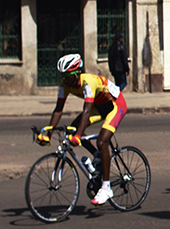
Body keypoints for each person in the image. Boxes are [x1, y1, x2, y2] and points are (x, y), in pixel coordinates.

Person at [36, 54, 127, 206]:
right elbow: (58, 110)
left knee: (102, 141)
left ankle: (106, 187)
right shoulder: (64, 84)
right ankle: (98, 156)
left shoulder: (88, 82)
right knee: (73, 130)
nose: (65, 79)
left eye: (68, 76)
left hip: (115, 105)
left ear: (77, 73)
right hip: (99, 107)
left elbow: (86, 111)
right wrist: (48, 134)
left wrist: (79, 135)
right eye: (63, 76)